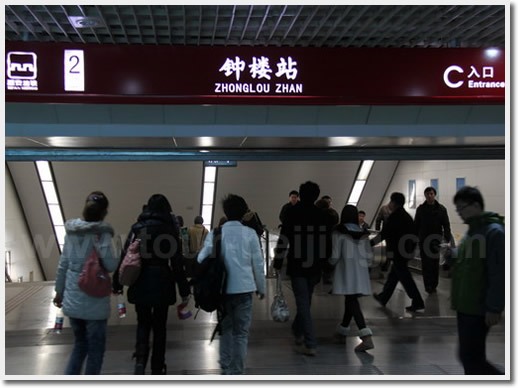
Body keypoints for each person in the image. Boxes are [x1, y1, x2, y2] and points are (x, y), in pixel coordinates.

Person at [112, 194, 190, 375]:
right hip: (163, 280)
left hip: (140, 279)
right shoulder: (170, 231)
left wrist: (117, 282)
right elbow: (177, 264)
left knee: (143, 323)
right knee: (160, 327)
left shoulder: (137, 228)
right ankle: (157, 367)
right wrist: (184, 291)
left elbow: (125, 256)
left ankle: (140, 362)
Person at [197, 194, 265, 375]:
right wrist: (261, 287)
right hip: (245, 289)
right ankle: (237, 371)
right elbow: (258, 264)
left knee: (225, 330)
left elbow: (201, 258)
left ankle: (225, 367)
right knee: (241, 333)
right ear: (244, 213)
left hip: (223, 290)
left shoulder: (216, 233)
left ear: (225, 211)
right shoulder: (250, 234)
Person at [53, 191, 117, 375]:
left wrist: (59, 291)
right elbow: (110, 264)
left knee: (80, 346)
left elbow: (62, 264)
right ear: (104, 211)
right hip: (94, 302)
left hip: (73, 298)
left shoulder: (71, 232)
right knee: (96, 351)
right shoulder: (101, 233)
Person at [445, 186, 504, 375]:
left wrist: (494, 307)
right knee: (469, 358)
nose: (460, 213)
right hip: (465, 305)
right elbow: (466, 264)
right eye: (458, 209)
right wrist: (451, 256)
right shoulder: (471, 232)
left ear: (476, 205)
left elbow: (499, 273)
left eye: (462, 208)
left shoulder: (494, 233)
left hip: (478, 308)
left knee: (472, 359)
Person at [273, 181, 331, 356]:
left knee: (303, 302)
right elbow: (326, 241)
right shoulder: (321, 215)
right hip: (315, 264)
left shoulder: (292, 212)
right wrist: (327, 263)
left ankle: (310, 342)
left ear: (300, 194)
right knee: (306, 300)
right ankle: (298, 331)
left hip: (298, 263)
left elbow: (284, 238)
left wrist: (278, 260)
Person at [330, 205, 374, 352]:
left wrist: (328, 264)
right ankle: (342, 331)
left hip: (346, 271)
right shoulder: (364, 233)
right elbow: (369, 257)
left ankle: (365, 336)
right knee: (351, 299)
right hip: (361, 272)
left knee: (351, 300)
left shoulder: (339, 232)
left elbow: (335, 256)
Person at [371, 192, 425, 312]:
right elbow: (414, 233)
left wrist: (369, 244)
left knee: (405, 278)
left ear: (394, 203)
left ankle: (417, 301)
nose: (389, 204)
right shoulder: (406, 216)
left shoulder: (395, 217)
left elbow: (384, 233)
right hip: (405, 251)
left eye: (390, 201)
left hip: (398, 252)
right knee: (394, 275)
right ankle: (383, 297)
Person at [414, 186, 453, 294]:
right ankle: (428, 285)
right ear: (425, 195)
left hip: (436, 239)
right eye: (427, 194)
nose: (430, 196)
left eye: (431, 194)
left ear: (434, 195)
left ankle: (434, 284)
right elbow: (416, 225)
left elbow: (446, 224)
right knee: (426, 263)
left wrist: (446, 237)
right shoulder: (421, 209)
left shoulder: (441, 209)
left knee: (434, 263)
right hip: (424, 239)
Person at [375, 202, 392, 272]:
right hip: (392, 233)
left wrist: (377, 230)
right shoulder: (399, 210)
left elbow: (378, 219)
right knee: (389, 249)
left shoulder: (384, 208)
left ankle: (383, 265)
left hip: (385, 231)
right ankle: (386, 266)